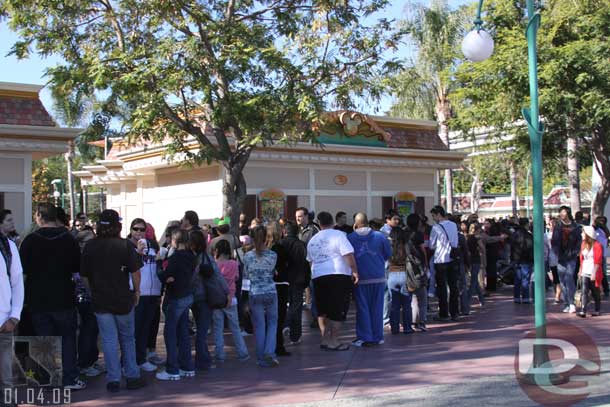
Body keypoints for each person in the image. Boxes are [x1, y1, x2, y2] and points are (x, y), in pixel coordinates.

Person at [20, 203, 85, 390]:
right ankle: (70, 378)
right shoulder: (68, 239)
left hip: (38, 298)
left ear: (40, 216)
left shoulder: (30, 240)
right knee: (68, 339)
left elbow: (23, 270)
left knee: (44, 340)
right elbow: (76, 268)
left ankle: (47, 378)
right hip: (63, 297)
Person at [80, 209, 144, 392]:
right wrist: (137, 291)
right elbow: (136, 272)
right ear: (118, 225)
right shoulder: (124, 245)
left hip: (100, 299)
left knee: (108, 340)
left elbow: (84, 275)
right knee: (127, 339)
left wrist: (91, 290)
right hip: (123, 298)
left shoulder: (90, 246)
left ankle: (113, 379)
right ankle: (132, 376)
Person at [307, 211, 359, 351]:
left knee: (322, 310)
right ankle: (334, 340)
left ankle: (325, 339)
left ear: (319, 223)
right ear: (332, 221)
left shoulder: (313, 240)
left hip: (318, 276)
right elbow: (348, 254)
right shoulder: (339, 235)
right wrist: (354, 271)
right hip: (338, 275)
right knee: (338, 309)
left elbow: (310, 262)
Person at [156, 229, 196, 380]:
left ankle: (172, 369)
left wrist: (159, 263)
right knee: (183, 332)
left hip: (176, 297)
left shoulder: (175, 257)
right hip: (187, 295)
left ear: (174, 240)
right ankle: (187, 366)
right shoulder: (191, 256)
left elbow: (164, 276)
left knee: (170, 333)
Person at [348, 213, 391, 346]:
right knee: (377, 308)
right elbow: (388, 254)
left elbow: (348, 256)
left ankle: (364, 337)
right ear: (367, 222)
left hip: (360, 278)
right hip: (378, 276)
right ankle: (377, 336)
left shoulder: (350, 237)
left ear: (355, 224)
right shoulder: (380, 236)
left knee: (363, 308)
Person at [127, 218, 162, 373]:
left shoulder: (153, 246)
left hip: (152, 293)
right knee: (133, 330)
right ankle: (128, 362)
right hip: (137, 292)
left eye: (142, 229)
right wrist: (138, 253)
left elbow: (157, 266)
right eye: (136, 229)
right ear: (131, 230)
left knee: (145, 328)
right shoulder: (127, 246)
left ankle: (141, 359)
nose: (139, 232)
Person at [244, 226, 279, 367]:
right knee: (272, 323)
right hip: (270, 290)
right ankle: (270, 352)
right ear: (266, 238)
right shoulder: (273, 255)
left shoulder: (247, 256)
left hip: (254, 292)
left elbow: (246, 277)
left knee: (259, 326)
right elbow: (272, 271)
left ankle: (260, 358)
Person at [211, 239, 249, 362]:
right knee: (235, 328)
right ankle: (242, 353)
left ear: (217, 250)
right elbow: (237, 277)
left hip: (217, 299)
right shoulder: (234, 264)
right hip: (231, 299)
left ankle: (220, 354)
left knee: (218, 328)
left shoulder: (214, 264)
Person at [0, 211, 23, 394]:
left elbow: (17, 282)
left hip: (3, 321)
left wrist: (14, 316)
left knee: (5, 379)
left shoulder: (8, 247)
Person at [189, 230, 219, 372]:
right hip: (205, 296)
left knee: (200, 329)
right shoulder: (206, 258)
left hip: (195, 296)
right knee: (202, 330)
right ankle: (203, 360)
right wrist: (227, 293)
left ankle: (203, 357)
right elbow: (217, 276)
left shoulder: (191, 258)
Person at [279, 221, 310, 345]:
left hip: (283, 280)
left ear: (285, 232)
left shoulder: (280, 244)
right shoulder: (301, 244)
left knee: (282, 306)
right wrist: (306, 279)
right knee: (296, 307)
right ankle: (295, 336)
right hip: (298, 279)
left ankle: (285, 325)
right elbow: (305, 263)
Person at [429, 205, 459, 322]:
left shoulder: (436, 227)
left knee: (442, 288)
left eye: (433, 216)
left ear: (438, 215)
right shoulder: (453, 225)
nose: (433, 218)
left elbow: (431, 245)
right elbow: (455, 242)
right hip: (452, 258)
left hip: (440, 260)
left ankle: (443, 313)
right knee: (453, 287)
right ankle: (454, 312)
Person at [266, 222, 291, 357]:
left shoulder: (265, 248)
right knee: (279, 317)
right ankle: (278, 346)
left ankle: (269, 345)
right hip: (280, 284)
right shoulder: (280, 248)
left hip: (267, 284)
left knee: (269, 317)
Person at [551, 206, 582, 314]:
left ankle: (572, 303)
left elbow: (579, 241)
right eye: (560, 213)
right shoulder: (558, 226)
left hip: (571, 257)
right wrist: (556, 253)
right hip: (560, 257)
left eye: (564, 212)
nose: (562, 214)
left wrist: (575, 253)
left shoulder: (576, 227)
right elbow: (554, 242)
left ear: (568, 213)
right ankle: (566, 303)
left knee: (569, 279)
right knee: (562, 281)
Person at [387, 227, 414, 335]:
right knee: (407, 304)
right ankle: (407, 327)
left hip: (392, 274)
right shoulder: (406, 245)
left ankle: (395, 328)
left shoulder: (389, 246)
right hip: (404, 274)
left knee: (394, 304)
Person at [406, 214, 428, 331]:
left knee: (412, 297)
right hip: (418, 266)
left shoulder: (404, 233)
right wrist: (426, 265)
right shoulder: (418, 234)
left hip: (406, 267)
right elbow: (423, 250)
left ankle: (413, 321)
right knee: (422, 297)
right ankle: (422, 322)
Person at [577, 226, 603, 318]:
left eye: (583, 233)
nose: (582, 234)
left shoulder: (597, 245)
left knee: (595, 291)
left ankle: (597, 309)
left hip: (593, 271)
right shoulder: (583, 244)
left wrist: (594, 273)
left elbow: (598, 261)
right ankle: (583, 310)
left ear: (588, 234)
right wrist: (580, 270)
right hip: (585, 270)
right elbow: (582, 259)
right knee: (584, 291)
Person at [511, 218, 534, 304]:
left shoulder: (514, 235)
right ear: (526, 224)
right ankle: (525, 298)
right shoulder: (529, 236)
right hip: (526, 260)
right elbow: (530, 248)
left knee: (517, 279)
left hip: (516, 259)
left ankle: (516, 297)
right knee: (525, 280)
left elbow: (512, 248)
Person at [466, 223, 486, 308]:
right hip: (476, 260)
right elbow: (483, 248)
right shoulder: (477, 238)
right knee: (474, 281)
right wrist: (480, 251)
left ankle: (481, 300)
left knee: (475, 281)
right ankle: (468, 301)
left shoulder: (467, 237)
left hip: (469, 260)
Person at [594, 216, 609, 298]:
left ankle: (604, 290)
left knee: (601, 273)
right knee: (601, 273)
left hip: (600, 254)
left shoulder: (600, 231)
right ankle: (605, 290)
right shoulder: (605, 231)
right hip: (601, 254)